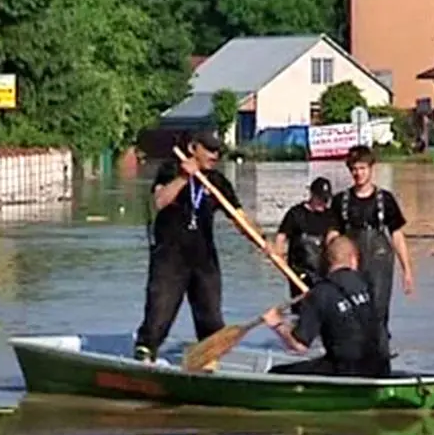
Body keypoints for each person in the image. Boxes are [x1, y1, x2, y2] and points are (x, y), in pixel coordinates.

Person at [134, 130, 253, 364]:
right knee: (159, 313)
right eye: (209, 150)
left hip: (204, 259)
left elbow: (240, 218)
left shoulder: (218, 181)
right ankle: (146, 351)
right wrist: (183, 178)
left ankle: (209, 359)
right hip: (170, 257)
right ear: (193, 148)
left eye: (217, 151)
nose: (215, 155)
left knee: (211, 316)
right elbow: (159, 202)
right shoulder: (170, 171)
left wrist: (263, 243)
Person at [261, 236, 391, 378]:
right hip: (381, 366)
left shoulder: (320, 293)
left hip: (345, 369)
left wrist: (277, 324)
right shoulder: (367, 282)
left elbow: (300, 346)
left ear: (327, 261)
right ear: (354, 259)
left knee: (276, 372)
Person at [325, 145, 414, 334]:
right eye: (354, 169)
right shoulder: (340, 201)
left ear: (371, 168)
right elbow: (333, 235)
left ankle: (381, 346)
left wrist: (406, 270)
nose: (358, 173)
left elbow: (397, 235)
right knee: (350, 310)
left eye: (362, 168)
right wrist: (329, 265)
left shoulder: (386, 199)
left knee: (378, 310)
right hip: (350, 263)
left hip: (379, 262)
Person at [272, 176, 334, 312]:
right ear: (312, 194)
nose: (322, 203)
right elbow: (281, 237)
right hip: (299, 274)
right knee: (301, 311)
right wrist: (279, 260)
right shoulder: (296, 214)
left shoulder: (330, 216)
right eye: (320, 198)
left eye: (325, 199)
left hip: (323, 274)